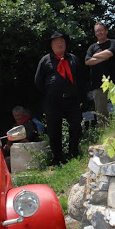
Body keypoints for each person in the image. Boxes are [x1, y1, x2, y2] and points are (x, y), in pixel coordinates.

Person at [34, 32, 83, 166]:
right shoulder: (45, 60)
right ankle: (58, 159)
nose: (59, 44)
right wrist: (50, 93)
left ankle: (73, 154)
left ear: (65, 44)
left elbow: (80, 77)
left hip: (72, 100)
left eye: (61, 42)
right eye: (56, 42)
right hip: (53, 102)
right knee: (54, 130)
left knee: (76, 126)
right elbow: (38, 81)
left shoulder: (73, 59)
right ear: (51, 45)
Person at [85, 22, 115, 122]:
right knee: (101, 114)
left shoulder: (112, 42)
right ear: (95, 33)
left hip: (114, 83)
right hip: (98, 84)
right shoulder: (92, 47)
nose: (99, 32)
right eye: (97, 31)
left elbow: (110, 52)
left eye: (101, 30)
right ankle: (105, 135)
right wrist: (104, 57)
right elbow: (87, 61)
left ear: (106, 31)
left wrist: (95, 56)